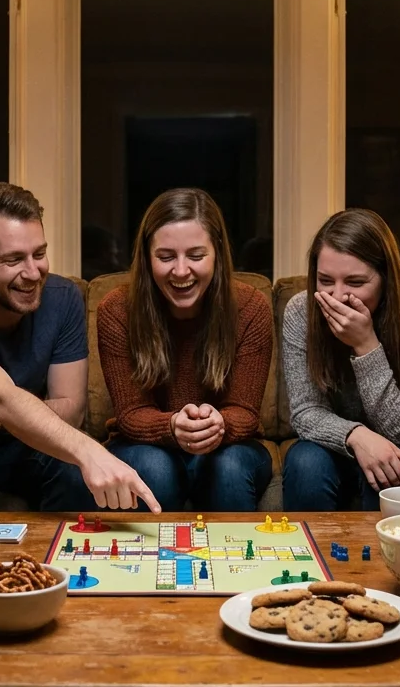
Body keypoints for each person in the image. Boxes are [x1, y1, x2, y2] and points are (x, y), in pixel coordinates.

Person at [0, 182, 160, 513]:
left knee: (72, 471)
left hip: (26, 444)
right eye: (13, 259)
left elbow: (71, 407)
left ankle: (57, 562)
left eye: (39, 254)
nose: (33, 272)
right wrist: (91, 451)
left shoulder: (63, 297)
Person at [97, 188, 274, 512]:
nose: (181, 271)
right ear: (147, 256)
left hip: (231, 447)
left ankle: (234, 563)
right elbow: (131, 413)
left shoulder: (251, 306)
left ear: (217, 253)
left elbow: (245, 412)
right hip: (144, 445)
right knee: (156, 469)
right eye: (165, 257)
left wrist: (219, 423)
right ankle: (153, 562)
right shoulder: (116, 309)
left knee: (228, 468)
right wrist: (172, 426)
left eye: (196, 256)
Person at [281, 209, 400, 511]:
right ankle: (309, 556)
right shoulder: (301, 311)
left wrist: (365, 344)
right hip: (337, 444)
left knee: (386, 467)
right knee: (304, 461)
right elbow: (305, 412)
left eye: (355, 282)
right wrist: (356, 435)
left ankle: (377, 559)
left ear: (385, 279)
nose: (337, 296)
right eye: (325, 280)